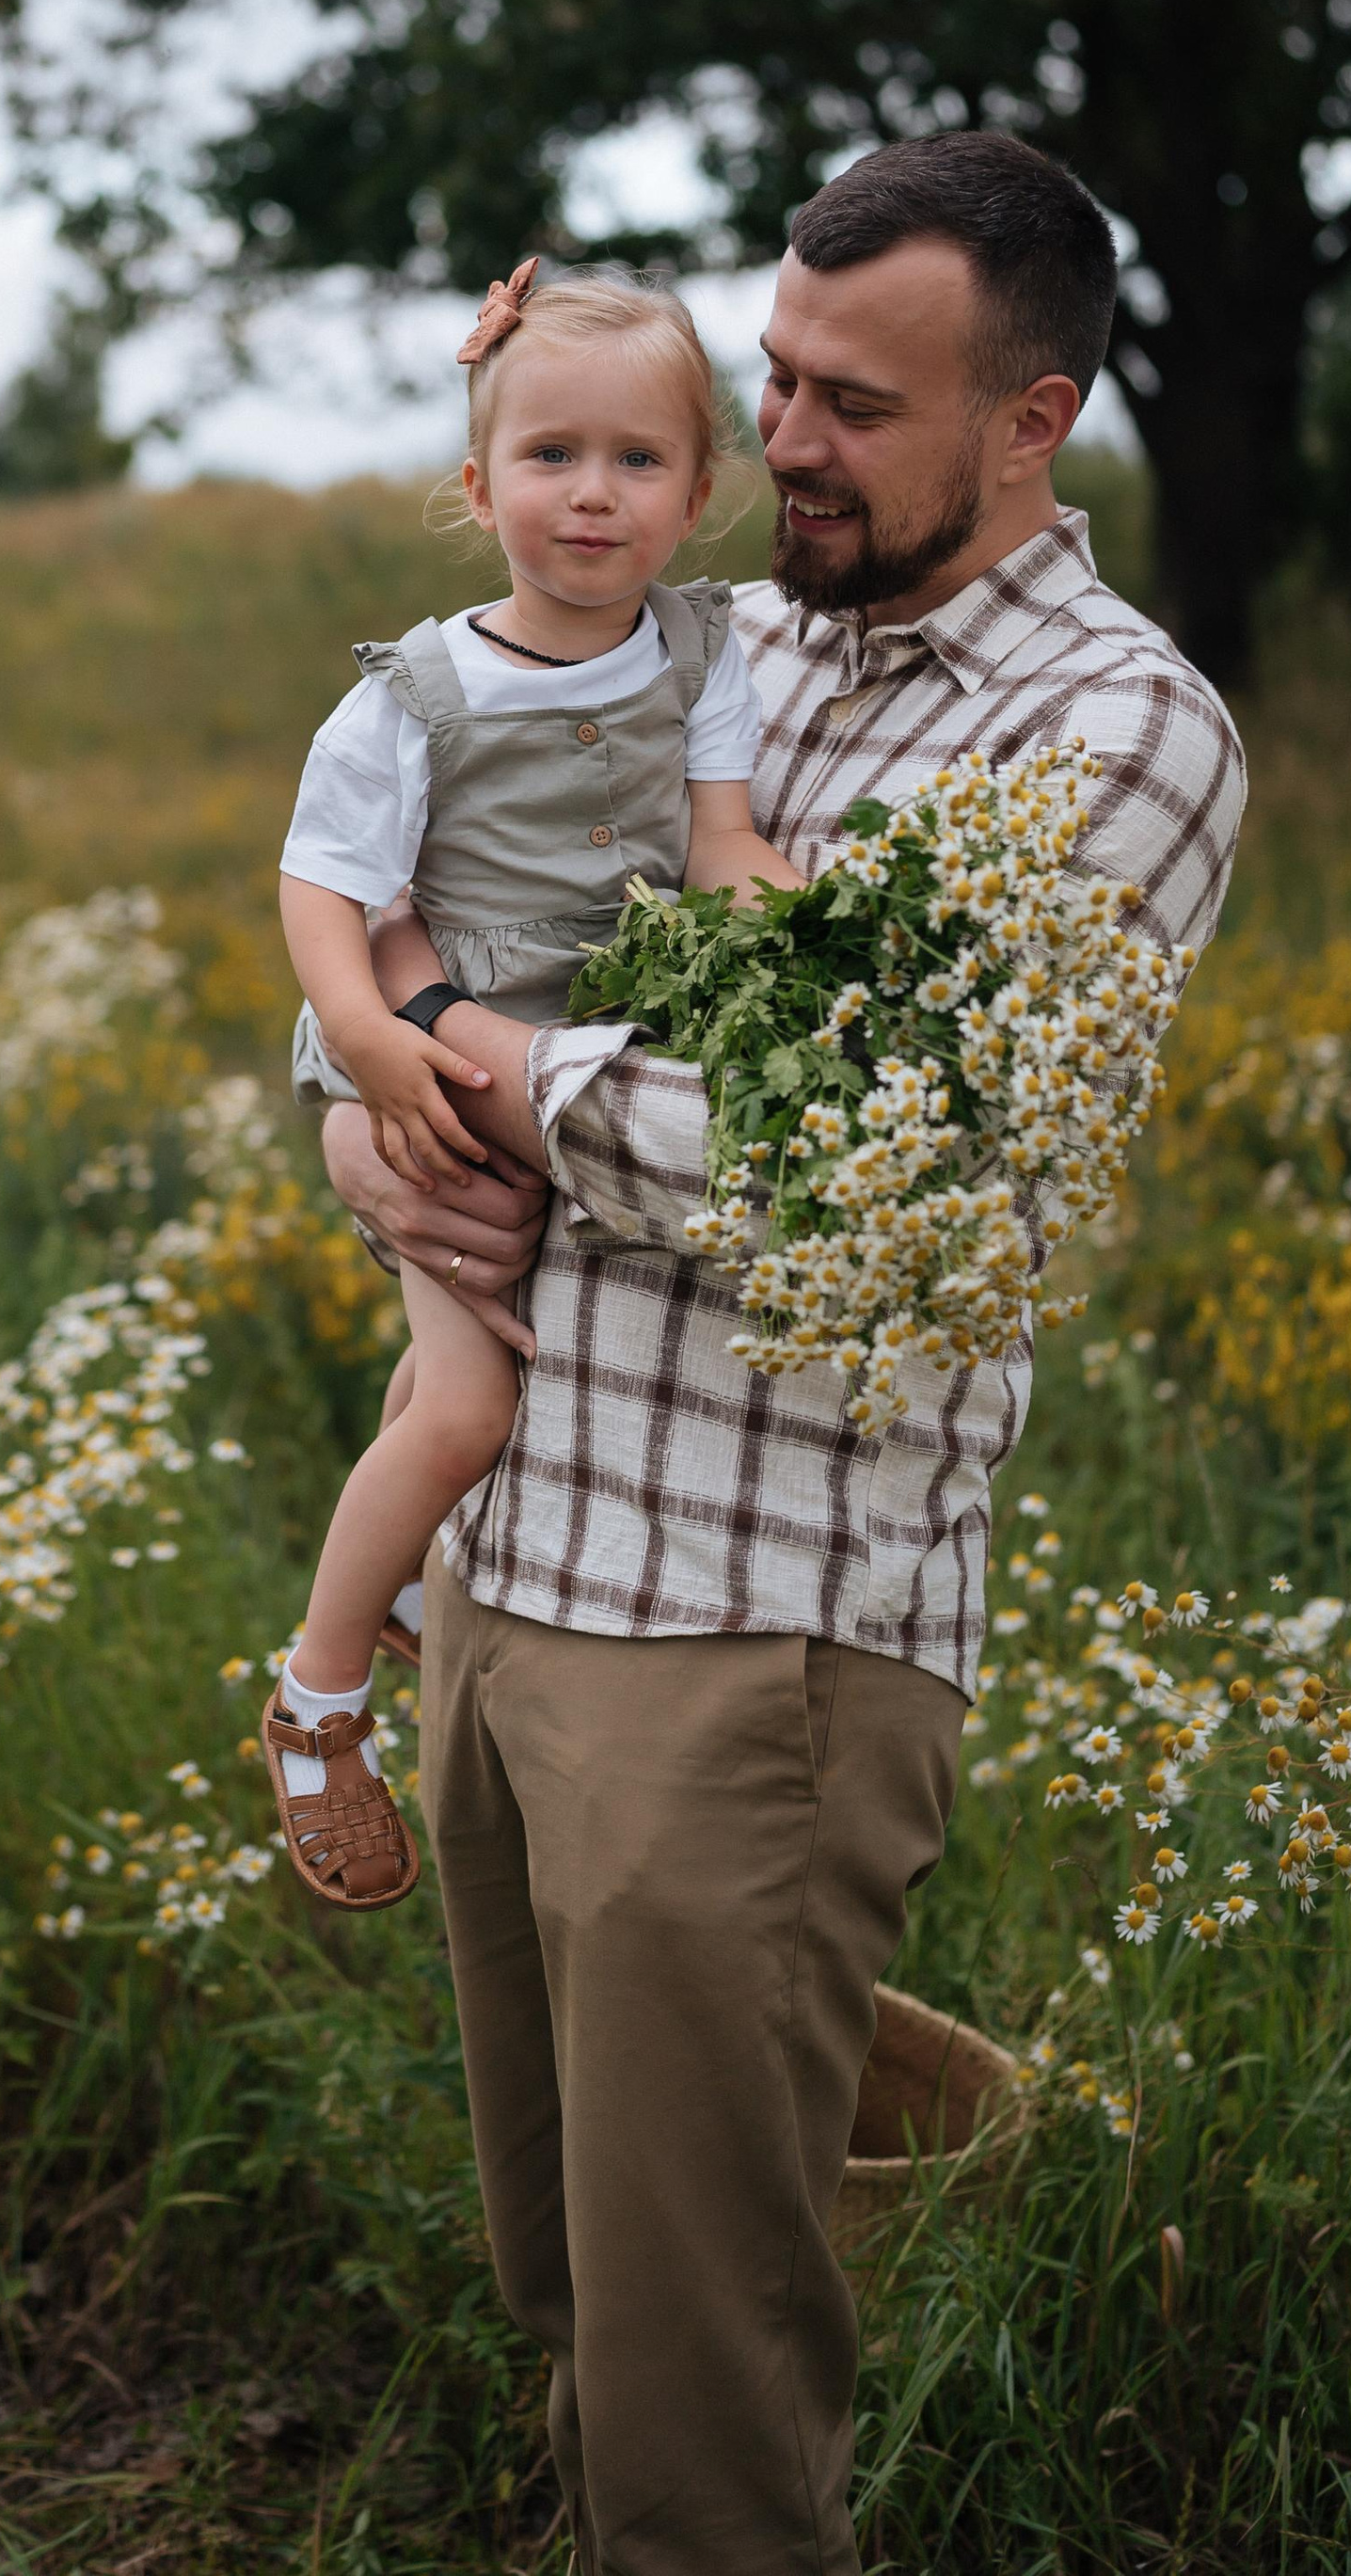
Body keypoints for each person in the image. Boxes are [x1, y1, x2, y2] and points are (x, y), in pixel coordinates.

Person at [319, 133, 1248, 2576]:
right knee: (569, 2293)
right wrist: (371, 1127)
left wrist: (487, 1074)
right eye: (780, 384)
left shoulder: (1113, 737)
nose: (795, 444)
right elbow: (421, 908)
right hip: (511, 1563)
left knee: (707, 2390)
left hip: (745, 1640)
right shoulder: (731, 636)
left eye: (857, 404)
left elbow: (860, 1149)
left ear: (1032, 420)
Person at [265, 262, 798, 1908]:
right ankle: (317, 1698)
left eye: (639, 461)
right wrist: (364, 1045)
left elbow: (721, 847)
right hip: (432, 1061)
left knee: (507, 1365)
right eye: (550, 456)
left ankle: (416, 1597)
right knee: (475, 1401)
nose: (592, 495)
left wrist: (799, 937)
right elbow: (323, 890)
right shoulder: (414, 694)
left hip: (578, 1059)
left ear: (700, 494)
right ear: (478, 483)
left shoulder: (701, 650)